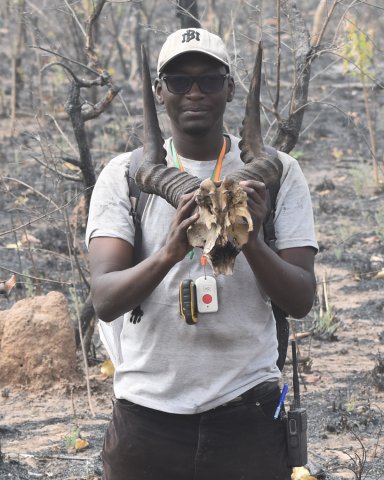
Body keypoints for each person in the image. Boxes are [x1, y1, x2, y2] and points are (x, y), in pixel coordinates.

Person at [86, 27, 318, 480]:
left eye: (210, 80)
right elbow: (106, 299)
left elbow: (301, 300)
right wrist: (167, 255)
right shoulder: (124, 177)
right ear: (159, 91)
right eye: (178, 81)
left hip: (246, 411)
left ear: (230, 88)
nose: (195, 92)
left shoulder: (280, 174)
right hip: (147, 415)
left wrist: (250, 238)